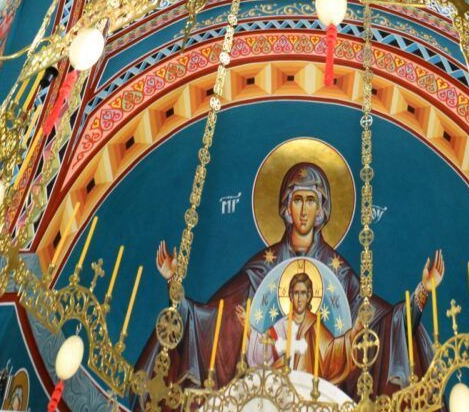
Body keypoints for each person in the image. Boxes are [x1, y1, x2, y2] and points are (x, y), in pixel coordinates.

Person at [136, 158, 443, 394]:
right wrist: (173, 283)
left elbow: (382, 323)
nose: (304, 210)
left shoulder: (339, 272)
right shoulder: (261, 268)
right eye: (298, 200)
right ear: (286, 206)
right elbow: (211, 321)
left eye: (311, 200)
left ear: (321, 208)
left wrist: (422, 292)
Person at [240, 268, 354, 382]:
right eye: (296, 293)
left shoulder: (314, 324)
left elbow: (331, 352)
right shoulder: (282, 325)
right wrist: (248, 329)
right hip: (284, 385)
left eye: (303, 293)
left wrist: (352, 335)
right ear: (291, 296)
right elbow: (265, 350)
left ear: (308, 296)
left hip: (308, 385)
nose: (299, 299)